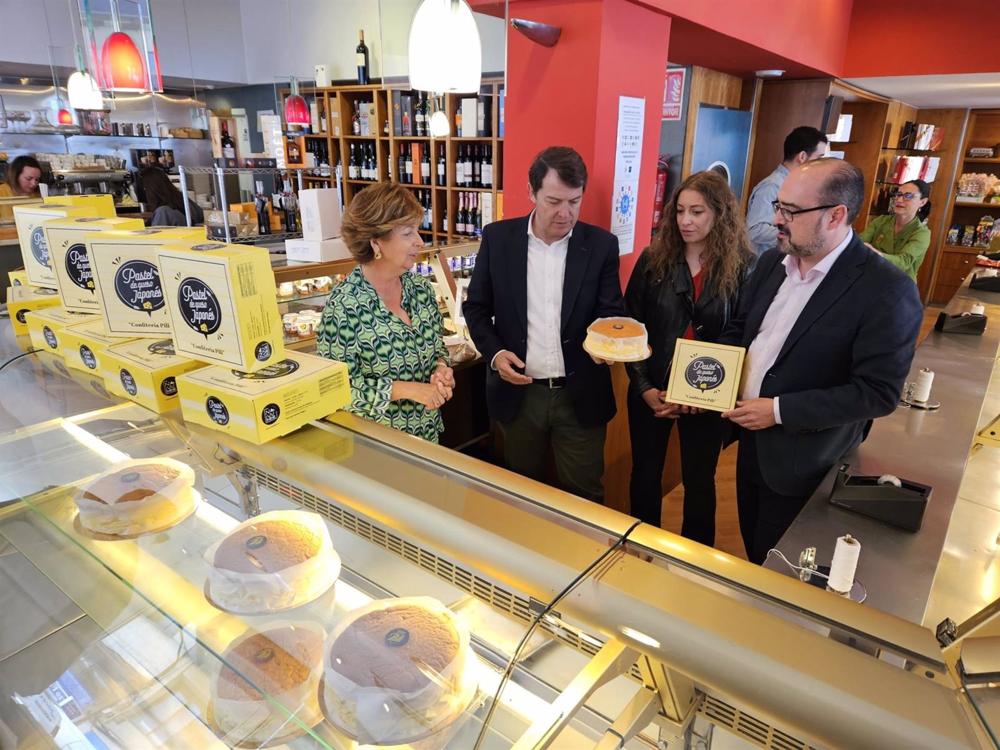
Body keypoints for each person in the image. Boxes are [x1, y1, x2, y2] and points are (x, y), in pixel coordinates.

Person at [720, 158, 923, 564]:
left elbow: (877, 392)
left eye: (791, 211)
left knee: (784, 571)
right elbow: (742, 329)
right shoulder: (770, 265)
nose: (777, 220)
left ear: (836, 215)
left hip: (807, 462)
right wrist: (711, 376)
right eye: (778, 206)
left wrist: (778, 411)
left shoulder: (887, 290)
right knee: (755, 555)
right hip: (750, 448)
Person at [464, 146, 624, 503]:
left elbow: (611, 313)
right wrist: (495, 353)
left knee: (585, 496)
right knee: (520, 494)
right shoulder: (498, 239)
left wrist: (605, 346)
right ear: (531, 192)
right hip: (519, 394)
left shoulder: (600, 246)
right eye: (553, 201)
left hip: (580, 393)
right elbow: (475, 308)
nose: (565, 213)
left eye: (574, 201)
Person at [625, 172, 754, 543]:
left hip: (707, 394)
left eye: (697, 212)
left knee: (700, 479)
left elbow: (743, 334)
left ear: (719, 214)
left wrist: (703, 394)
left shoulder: (744, 265)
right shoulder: (653, 259)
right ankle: (641, 548)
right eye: (680, 211)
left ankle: (697, 561)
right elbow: (631, 327)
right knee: (645, 473)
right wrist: (645, 387)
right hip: (653, 391)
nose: (686, 220)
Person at [316, 182, 454, 442]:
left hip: (427, 437)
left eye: (417, 230)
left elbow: (438, 349)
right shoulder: (344, 306)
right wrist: (407, 390)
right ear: (376, 242)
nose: (419, 241)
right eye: (407, 233)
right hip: (375, 445)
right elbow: (335, 389)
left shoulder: (421, 289)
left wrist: (441, 368)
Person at [746, 126, 829, 255]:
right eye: (819, 158)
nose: (821, 165)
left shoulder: (796, 185)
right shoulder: (772, 186)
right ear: (802, 156)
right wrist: (796, 235)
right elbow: (755, 230)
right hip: (764, 266)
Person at [858, 179, 931, 281]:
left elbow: (903, 262)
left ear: (922, 202)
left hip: (900, 286)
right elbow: (860, 243)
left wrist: (876, 254)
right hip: (872, 279)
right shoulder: (881, 221)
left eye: (908, 196)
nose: (899, 200)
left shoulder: (921, 233)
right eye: (898, 194)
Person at [139, 166, 204, 226]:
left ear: (148, 189)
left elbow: (156, 238)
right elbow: (200, 215)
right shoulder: (184, 201)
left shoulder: (163, 213)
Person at [0, 155, 42, 223]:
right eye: (28, 179)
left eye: (37, 179)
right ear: (16, 176)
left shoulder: (37, 195)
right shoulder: (2, 192)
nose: (34, 183)